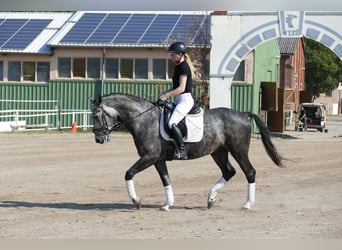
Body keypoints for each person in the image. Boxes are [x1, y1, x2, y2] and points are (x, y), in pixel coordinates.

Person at [159, 42, 195, 159]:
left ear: (179, 54)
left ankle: (182, 150)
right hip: (178, 99)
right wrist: (164, 93)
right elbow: (175, 87)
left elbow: (181, 88)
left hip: (185, 101)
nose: (171, 56)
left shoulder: (184, 67)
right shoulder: (178, 67)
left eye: (172, 54)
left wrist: (167, 96)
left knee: (171, 123)